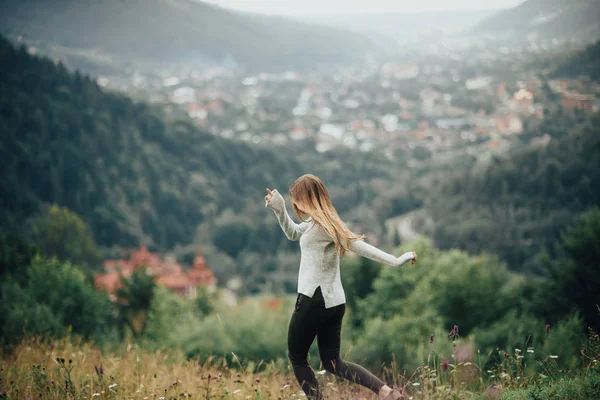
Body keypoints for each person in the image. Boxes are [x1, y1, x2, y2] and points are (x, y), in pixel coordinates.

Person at [265, 174, 417, 400]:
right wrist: (280, 209)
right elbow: (292, 232)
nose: (295, 205)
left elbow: (359, 246)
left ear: (306, 199)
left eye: (296, 200)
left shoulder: (324, 227)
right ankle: (388, 393)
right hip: (335, 302)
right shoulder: (319, 223)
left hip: (312, 299)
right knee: (333, 363)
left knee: (297, 357)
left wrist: (396, 261)